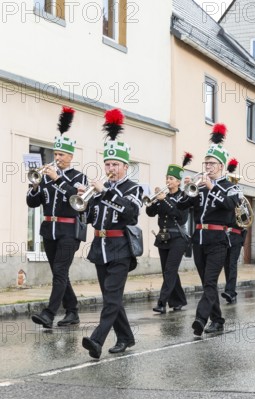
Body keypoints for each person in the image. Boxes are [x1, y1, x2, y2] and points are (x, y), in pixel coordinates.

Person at [80, 109, 143, 358]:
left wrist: (105, 192)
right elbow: (93, 220)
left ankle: (97, 340)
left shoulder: (133, 188)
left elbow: (131, 213)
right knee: (111, 298)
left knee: (112, 298)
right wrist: (85, 201)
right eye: (107, 164)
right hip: (100, 248)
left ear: (125, 166)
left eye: (115, 164)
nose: (110, 168)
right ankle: (126, 337)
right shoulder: (100, 189)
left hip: (121, 249)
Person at [177, 123, 240, 337]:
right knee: (206, 283)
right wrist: (186, 191)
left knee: (211, 281)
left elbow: (229, 206)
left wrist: (212, 189)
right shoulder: (200, 186)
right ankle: (218, 319)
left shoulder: (231, 187)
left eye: (212, 163)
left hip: (218, 240)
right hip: (199, 239)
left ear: (221, 166)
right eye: (206, 163)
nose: (208, 167)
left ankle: (200, 319)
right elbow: (181, 207)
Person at [28, 106, 87, 329]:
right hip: (48, 230)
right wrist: (35, 186)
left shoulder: (78, 177)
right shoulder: (45, 177)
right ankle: (72, 311)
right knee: (59, 273)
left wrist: (57, 179)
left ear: (70, 156)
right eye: (55, 154)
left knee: (60, 272)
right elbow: (33, 203)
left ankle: (49, 314)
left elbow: (76, 199)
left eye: (61, 155)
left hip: (69, 232)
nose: (57, 158)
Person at [146, 153, 192, 314]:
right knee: (168, 271)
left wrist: (164, 200)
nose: (168, 181)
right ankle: (178, 300)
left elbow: (180, 217)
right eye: (167, 178)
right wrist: (153, 201)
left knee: (169, 271)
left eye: (171, 179)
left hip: (178, 238)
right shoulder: (162, 197)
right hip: (163, 237)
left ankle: (161, 303)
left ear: (178, 182)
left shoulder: (184, 196)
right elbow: (150, 213)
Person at [222, 158, 248, 304]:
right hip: (224, 235)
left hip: (236, 236)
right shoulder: (225, 202)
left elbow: (245, 220)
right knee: (226, 264)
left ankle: (230, 291)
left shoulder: (241, 202)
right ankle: (229, 289)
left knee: (232, 263)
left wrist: (240, 208)